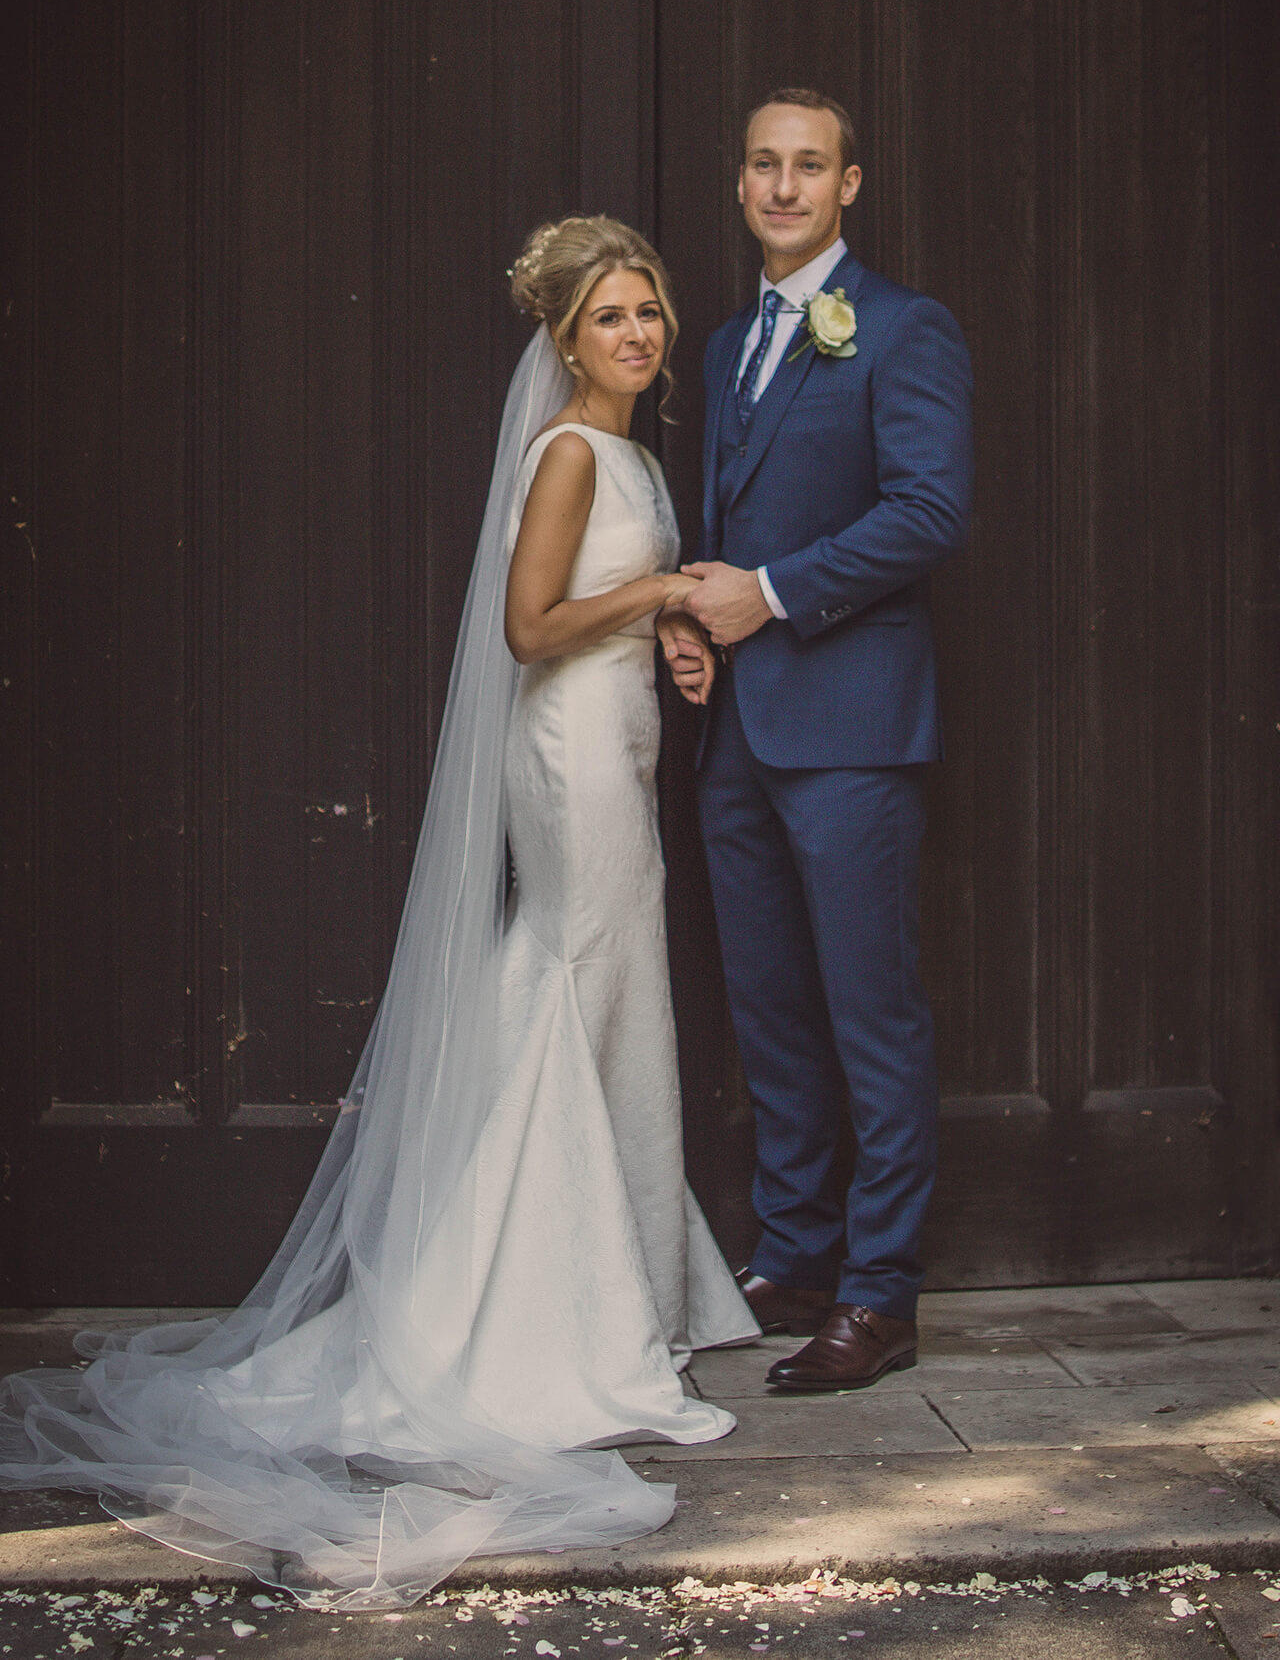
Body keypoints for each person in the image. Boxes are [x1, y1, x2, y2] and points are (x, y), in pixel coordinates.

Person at [0, 216, 757, 1608]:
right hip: (571, 754)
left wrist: (669, 636)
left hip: (623, 734)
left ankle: (617, 1285)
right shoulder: (570, 452)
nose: (640, 335)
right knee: (576, 972)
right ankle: (524, 1310)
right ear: (564, 338)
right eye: (610, 317)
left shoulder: (638, 455)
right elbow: (531, 626)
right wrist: (661, 591)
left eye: (650, 312)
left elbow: (597, 605)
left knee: (604, 984)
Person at [659, 89, 974, 1393]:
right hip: (736, 730)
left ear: (850, 185)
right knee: (772, 1009)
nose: (783, 187)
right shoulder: (727, 342)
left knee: (870, 1012)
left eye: (809, 166)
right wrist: (692, 617)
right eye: (763, 165)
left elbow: (930, 510)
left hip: (851, 729)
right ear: (740, 184)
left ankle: (880, 1291)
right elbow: (729, 524)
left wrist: (772, 594)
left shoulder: (901, 326)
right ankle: (793, 1254)